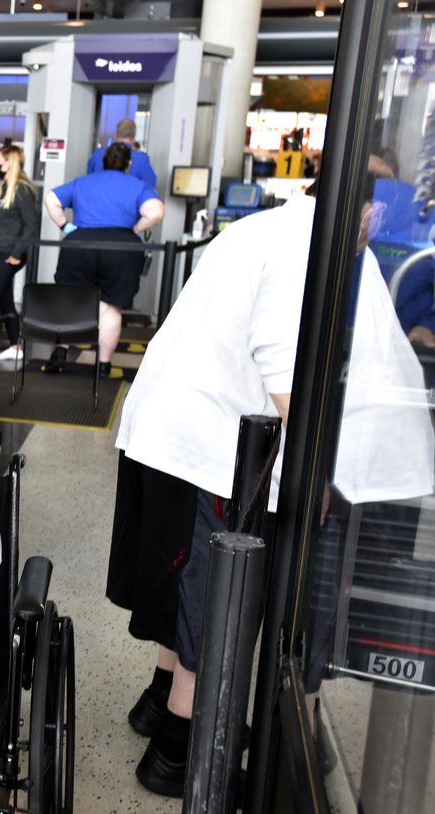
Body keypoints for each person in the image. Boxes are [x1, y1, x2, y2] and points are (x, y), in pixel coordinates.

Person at [110, 166, 433, 798]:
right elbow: (286, 366)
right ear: (365, 212)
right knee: (218, 602)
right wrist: (324, 476)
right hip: (217, 445)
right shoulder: (312, 247)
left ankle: (159, 709)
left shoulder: (270, 225)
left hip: (183, 433)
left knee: (196, 592)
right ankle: (176, 755)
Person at [44, 142, 165, 377]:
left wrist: (66, 227)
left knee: (72, 300)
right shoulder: (138, 185)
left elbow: (51, 199)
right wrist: (135, 229)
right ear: (129, 164)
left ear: (102, 161)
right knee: (110, 308)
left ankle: (60, 351)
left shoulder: (83, 182)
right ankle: (103, 365)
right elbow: (156, 211)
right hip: (120, 246)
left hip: (79, 244)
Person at [0, 142, 39, 363]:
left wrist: (17, 252)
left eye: (1, 157)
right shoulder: (4, 186)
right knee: (4, 300)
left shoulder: (22, 189)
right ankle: (15, 345)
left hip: (9, 253)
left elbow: (31, 225)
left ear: (10, 160)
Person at [86, 118, 157, 192]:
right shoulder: (141, 160)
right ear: (134, 137)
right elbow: (150, 188)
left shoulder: (98, 154)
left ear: (116, 135)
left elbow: (89, 180)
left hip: (97, 200)